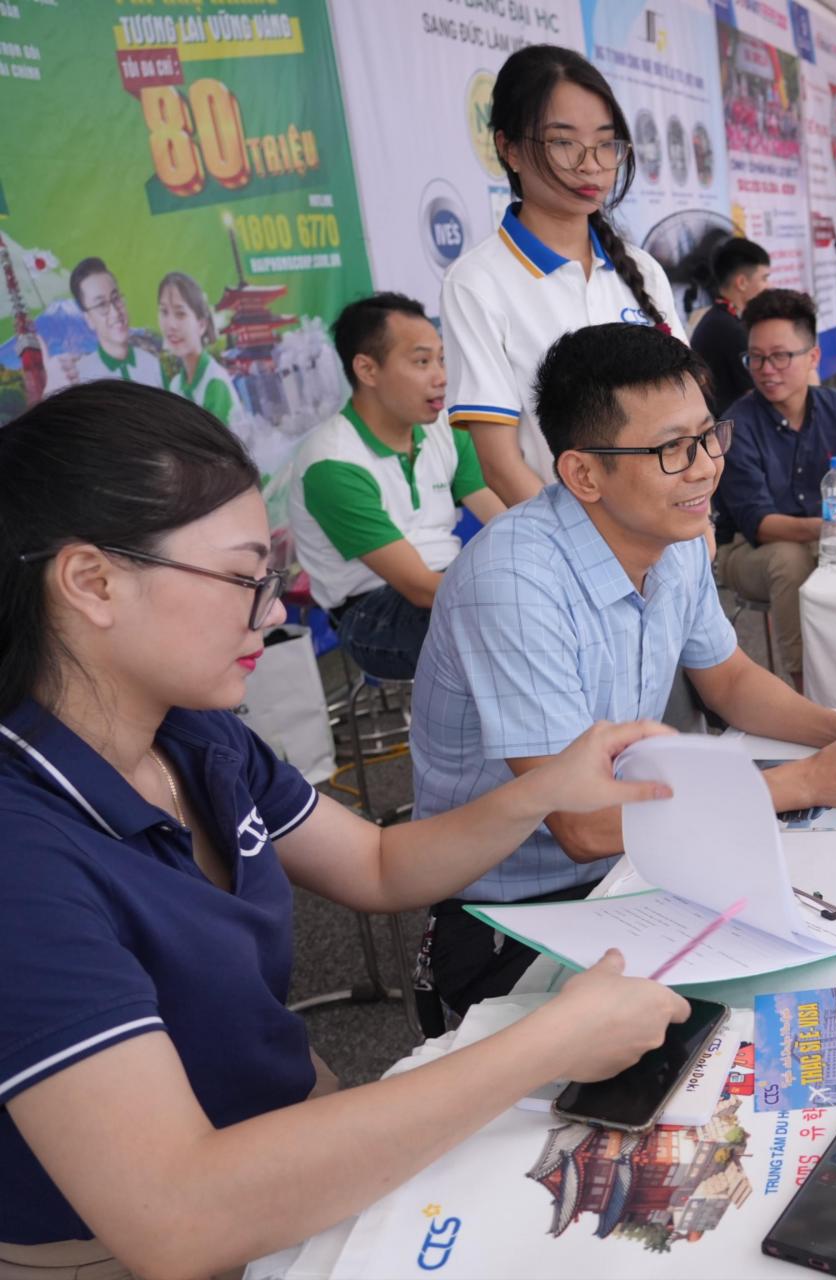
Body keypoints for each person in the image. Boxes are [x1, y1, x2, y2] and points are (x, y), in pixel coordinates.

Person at [0, 381, 692, 1277]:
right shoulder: (25, 854)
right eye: (244, 579)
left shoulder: (192, 735)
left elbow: (374, 863)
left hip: (295, 1136)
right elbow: (173, 1215)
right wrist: (550, 1041)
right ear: (92, 581)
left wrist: (540, 790)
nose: (276, 611)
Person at [411, 321, 836, 1020]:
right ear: (583, 473)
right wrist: (810, 779)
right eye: (671, 450)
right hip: (522, 910)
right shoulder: (512, 581)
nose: (704, 468)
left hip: (641, 868)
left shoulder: (674, 529)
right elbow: (580, 824)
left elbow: (730, 680)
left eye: (707, 436)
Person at [442, 44, 687, 508]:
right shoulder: (477, 282)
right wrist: (588, 552)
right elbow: (499, 464)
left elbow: (689, 419)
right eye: (563, 142)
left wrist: (700, 525)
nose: (590, 164)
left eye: (605, 142)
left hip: (670, 533)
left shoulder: (643, 270)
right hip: (569, 553)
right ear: (509, 149)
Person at [288, 293, 505, 680]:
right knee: (507, 626)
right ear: (367, 370)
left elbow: (506, 522)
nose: (441, 377)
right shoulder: (332, 463)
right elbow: (420, 588)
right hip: (374, 611)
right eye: (422, 362)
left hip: (450, 579)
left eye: (441, 359)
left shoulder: (444, 430)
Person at [712, 289, 836, 686]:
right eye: (757, 358)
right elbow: (761, 525)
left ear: (813, 357)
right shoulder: (737, 428)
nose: (767, 370)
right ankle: (807, 687)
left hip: (821, 533)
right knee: (790, 560)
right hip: (746, 550)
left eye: (781, 356)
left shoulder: (832, 407)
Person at [688, 236, 771, 412]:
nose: (768, 286)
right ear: (741, 282)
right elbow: (755, 396)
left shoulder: (718, 318)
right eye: (764, 278)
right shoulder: (729, 329)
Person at [59, 258, 163, 390]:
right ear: (88, 319)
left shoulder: (151, 364)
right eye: (101, 304)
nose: (115, 312)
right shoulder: (82, 379)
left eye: (116, 298)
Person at [156, 271, 237, 425]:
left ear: (201, 325)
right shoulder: (176, 386)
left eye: (180, 314)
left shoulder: (214, 383)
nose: (170, 325)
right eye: (164, 312)